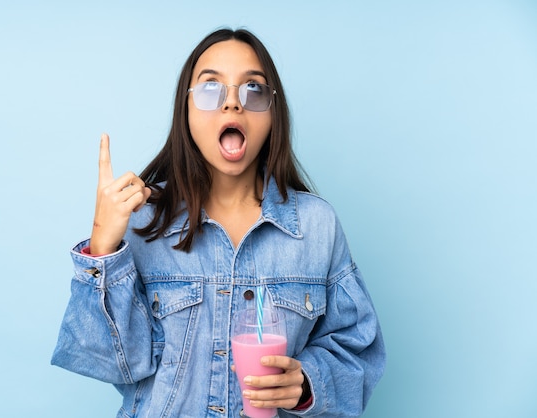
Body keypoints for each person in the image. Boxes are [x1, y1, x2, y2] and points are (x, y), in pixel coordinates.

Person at [51, 28, 385, 417]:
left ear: (272, 112)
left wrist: (307, 383)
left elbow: (356, 351)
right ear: (187, 110)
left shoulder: (316, 226)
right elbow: (115, 363)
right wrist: (103, 248)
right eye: (211, 89)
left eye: (253, 90)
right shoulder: (144, 221)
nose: (232, 105)